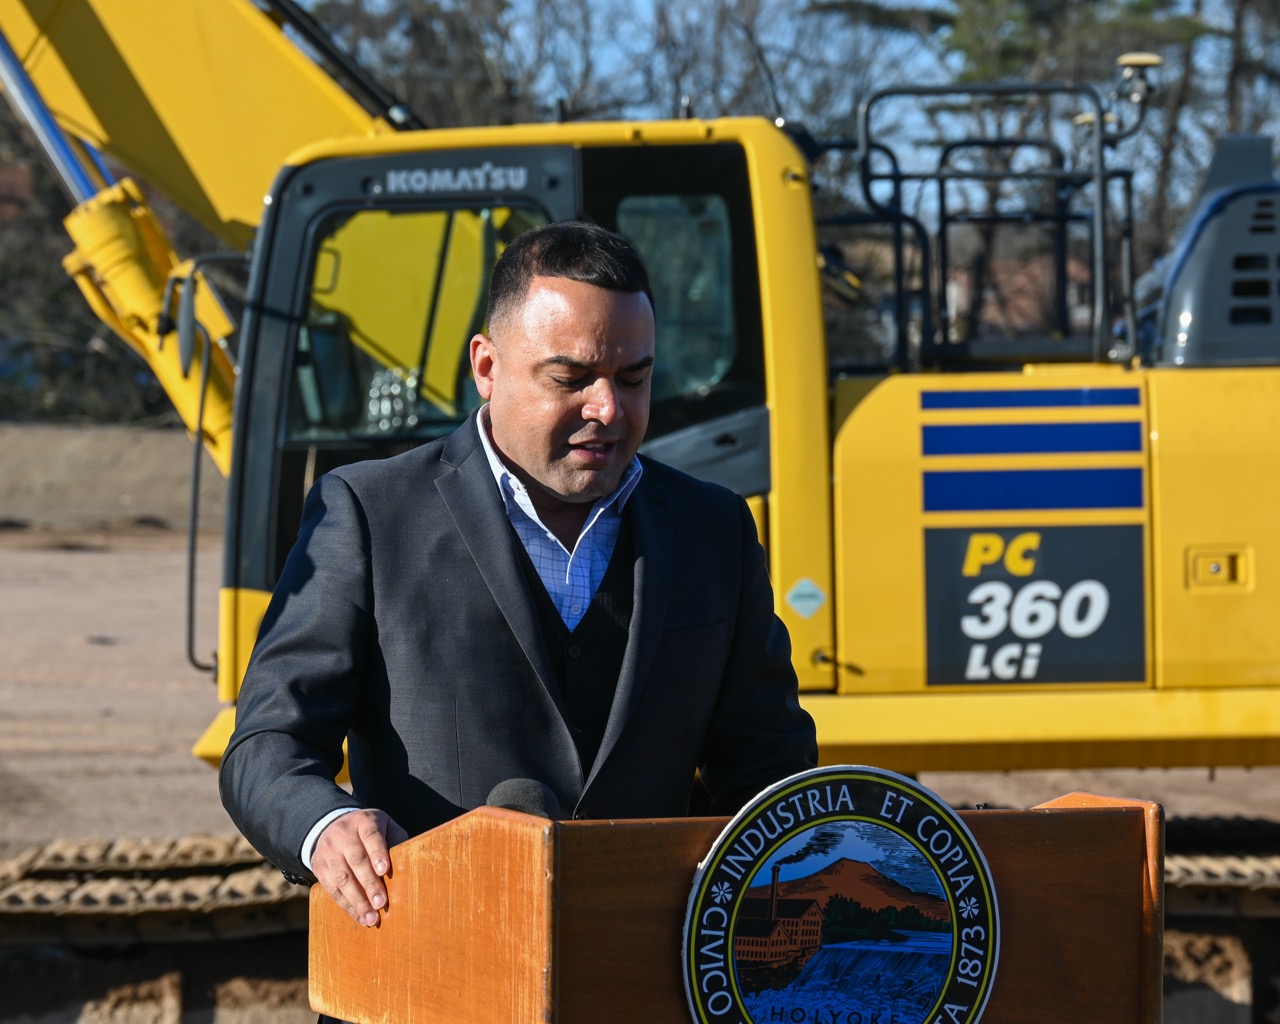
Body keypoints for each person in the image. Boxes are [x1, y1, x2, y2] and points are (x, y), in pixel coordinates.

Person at [219, 221, 817, 929]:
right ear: (487, 366)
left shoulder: (715, 529)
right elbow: (267, 744)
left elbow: (767, 766)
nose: (608, 409)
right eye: (570, 378)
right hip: (432, 968)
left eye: (635, 378)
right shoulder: (369, 513)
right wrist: (325, 827)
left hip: (642, 977)